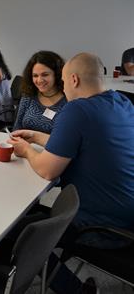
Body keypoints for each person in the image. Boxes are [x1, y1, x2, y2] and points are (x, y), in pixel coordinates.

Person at [8, 53, 134, 294]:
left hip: (101, 227)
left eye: (64, 81)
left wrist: (26, 151)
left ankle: (75, 290)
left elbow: (46, 170)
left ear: (73, 79)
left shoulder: (77, 110)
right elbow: (80, 144)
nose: (63, 88)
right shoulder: (122, 103)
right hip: (128, 215)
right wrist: (36, 137)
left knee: (15, 231)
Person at [13, 51, 67, 133]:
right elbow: (17, 128)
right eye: (35, 76)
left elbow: (66, 137)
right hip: (24, 144)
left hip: (52, 146)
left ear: (57, 74)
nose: (39, 80)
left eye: (45, 75)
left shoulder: (68, 101)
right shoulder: (29, 96)